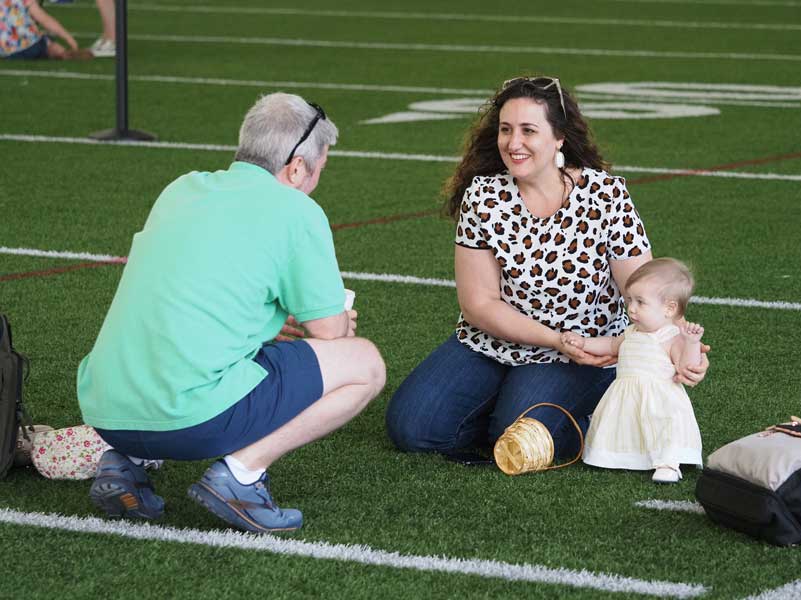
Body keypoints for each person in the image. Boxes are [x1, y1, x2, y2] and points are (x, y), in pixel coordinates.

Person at [78, 93, 386, 533]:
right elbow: (330, 333)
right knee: (365, 364)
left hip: (105, 412)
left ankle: (123, 463)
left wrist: (270, 324)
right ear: (297, 167)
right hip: (188, 420)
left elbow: (197, 300)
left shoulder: (181, 188)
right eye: (318, 170)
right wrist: (335, 322)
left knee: (173, 344)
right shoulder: (297, 209)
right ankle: (241, 477)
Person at [386, 76, 708, 462]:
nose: (513, 142)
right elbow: (479, 303)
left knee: (515, 435)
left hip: (582, 352)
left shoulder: (605, 195)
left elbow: (645, 289)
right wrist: (551, 336)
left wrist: (677, 345)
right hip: (493, 341)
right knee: (412, 427)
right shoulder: (484, 196)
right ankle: (523, 403)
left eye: (528, 131)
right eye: (505, 129)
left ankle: (593, 415)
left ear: (559, 139)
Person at [562, 258, 704, 483]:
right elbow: (609, 345)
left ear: (669, 308)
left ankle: (669, 462)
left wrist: (692, 343)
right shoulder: (631, 332)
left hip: (660, 399)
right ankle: (615, 456)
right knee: (624, 424)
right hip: (627, 393)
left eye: (640, 302)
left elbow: (686, 367)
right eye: (629, 300)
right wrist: (583, 343)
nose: (631, 308)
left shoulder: (670, 337)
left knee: (664, 428)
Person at [1, 0, 89, 59]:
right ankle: (61, 52)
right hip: (30, 46)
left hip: (6, 51)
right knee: (46, 41)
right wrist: (68, 37)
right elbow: (44, 19)